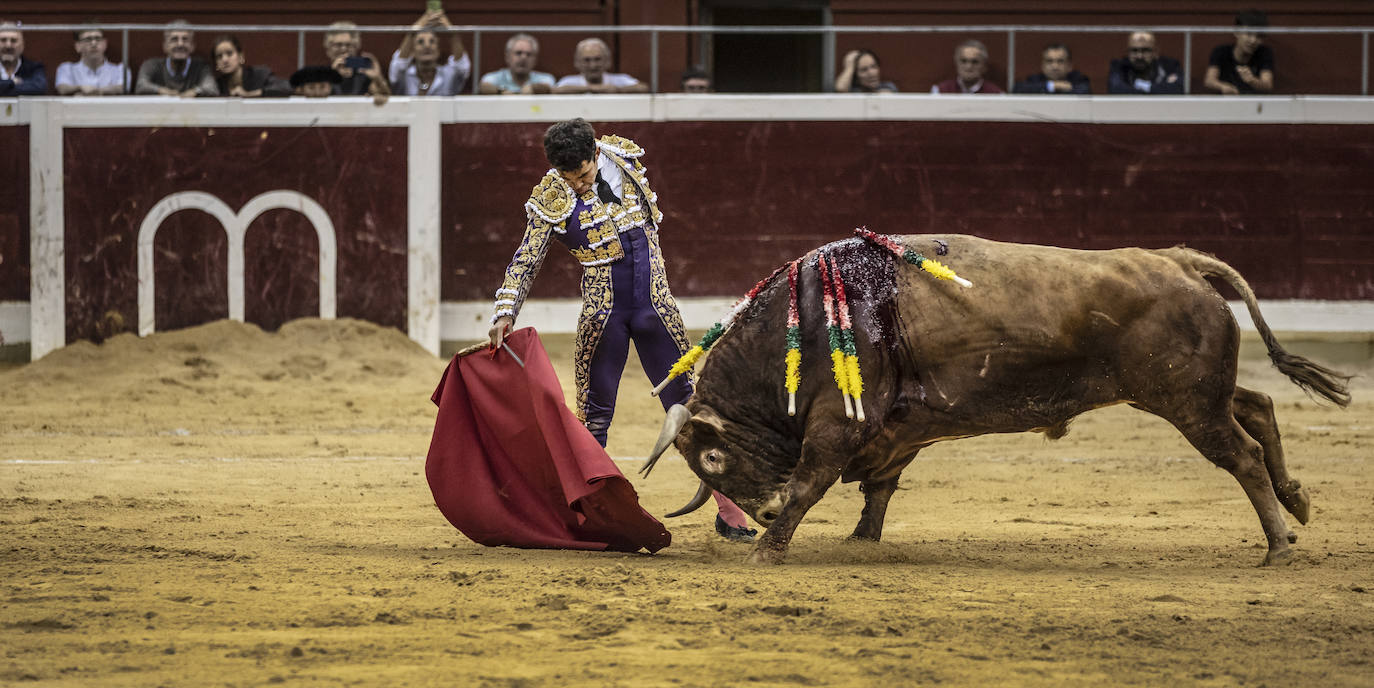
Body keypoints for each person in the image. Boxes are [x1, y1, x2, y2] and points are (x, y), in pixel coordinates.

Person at [487, 118, 757, 542]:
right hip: (603, 314)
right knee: (594, 415)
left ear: (595, 154)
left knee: (688, 404)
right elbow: (527, 257)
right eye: (568, 177)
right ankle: (585, 512)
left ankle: (729, 511)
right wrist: (506, 310)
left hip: (656, 306)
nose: (576, 185)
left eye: (583, 175)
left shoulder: (625, 158)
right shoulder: (549, 197)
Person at [389, 9, 470, 96]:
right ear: (412, 53)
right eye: (420, 42)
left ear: (438, 51)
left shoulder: (448, 74)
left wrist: (452, 33)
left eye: (432, 41)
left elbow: (461, 66)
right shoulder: (404, 76)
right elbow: (399, 64)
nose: (427, 46)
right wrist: (412, 32)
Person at [135, 20, 217, 97]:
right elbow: (140, 86)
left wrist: (195, 92)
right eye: (174, 39)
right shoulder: (152, 65)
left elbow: (212, 88)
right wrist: (162, 91)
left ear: (192, 46)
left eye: (185, 39)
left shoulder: (201, 67)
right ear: (165, 46)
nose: (180, 44)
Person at [1204, 9, 1275, 94]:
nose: (1253, 40)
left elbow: (1268, 85)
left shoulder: (1264, 53)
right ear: (1236, 32)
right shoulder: (1221, 51)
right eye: (1249, 34)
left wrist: (1252, 81)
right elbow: (1209, 80)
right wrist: (1223, 86)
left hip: (1253, 104)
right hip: (1226, 103)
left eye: (1259, 36)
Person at [322, 21, 390, 103]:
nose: (343, 49)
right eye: (338, 45)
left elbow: (386, 98)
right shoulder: (321, 74)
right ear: (328, 49)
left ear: (356, 47)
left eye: (348, 45)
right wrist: (332, 74)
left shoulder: (363, 73)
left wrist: (377, 78)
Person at [55, 25, 129, 96]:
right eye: (88, 39)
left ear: (105, 44)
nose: (94, 43)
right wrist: (80, 87)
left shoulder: (120, 69)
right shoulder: (67, 68)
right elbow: (62, 88)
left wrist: (97, 91)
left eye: (98, 39)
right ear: (78, 46)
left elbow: (122, 88)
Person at [553, 38, 647, 94]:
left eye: (597, 59)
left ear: (607, 61)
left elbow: (643, 88)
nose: (593, 65)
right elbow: (555, 91)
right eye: (587, 60)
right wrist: (594, 88)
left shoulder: (620, 79)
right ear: (577, 63)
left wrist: (617, 89)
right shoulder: (569, 81)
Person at [212, 35, 290, 98]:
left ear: (241, 56)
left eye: (229, 54)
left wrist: (249, 94)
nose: (225, 59)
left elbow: (286, 87)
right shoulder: (217, 85)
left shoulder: (258, 75)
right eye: (219, 56)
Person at [1107, 31, 1183, 95]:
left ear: (1155, 52)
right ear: (1128, 53)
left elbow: (1177, 89)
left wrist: (1142, 86)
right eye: (1134, 50)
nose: (1139, 56)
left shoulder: (1170, 66)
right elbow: (1116, 89)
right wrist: (1157, 89)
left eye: (1145, 50)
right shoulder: (1119, 66)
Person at [479, 33, 554, 95]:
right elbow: (484, 86)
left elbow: (548, 86)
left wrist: (533, 88)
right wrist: (502, 91)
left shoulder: (545, 78)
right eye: (518, 53)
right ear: (507, 57)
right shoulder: (494, 77)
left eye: (529, 54)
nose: (523, 58)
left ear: (535, 60)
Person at [1013, 43, 1091, 94]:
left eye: (1060, 61)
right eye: (1049, 61)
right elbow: (1018, 89)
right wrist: (1052, 86)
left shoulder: (1078, 80)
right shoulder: (1034, 80)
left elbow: (1084, 90)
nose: (1055, 66)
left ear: (1069, 66)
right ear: (1042, 65)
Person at [931, 40, 1003, 94]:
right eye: (963, 61)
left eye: (975, 62)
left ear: (984, 66)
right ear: (956, 63)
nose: (968, 67)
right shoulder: (939, 91)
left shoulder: (996, 93)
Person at [0, 22, 47, 96]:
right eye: (3, 40)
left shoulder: (34, 68)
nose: (8, 46)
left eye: (13, 41)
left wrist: (3, 88)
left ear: (22, 45)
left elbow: (39, 88)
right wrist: (12, 82)